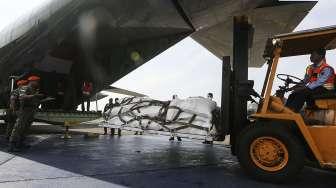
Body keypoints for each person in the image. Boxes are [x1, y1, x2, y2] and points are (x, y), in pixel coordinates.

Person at [8, 76, 43, 152]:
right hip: (25, 110)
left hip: (31, 110)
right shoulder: (25, 88)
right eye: (36, 81)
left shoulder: (33, 90)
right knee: (18, 127)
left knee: (26, 127)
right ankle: (12, 145)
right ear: (32, 81)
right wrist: (34, 95)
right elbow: (22, 97)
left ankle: (21, 142)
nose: (37, 83)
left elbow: (33, 100)